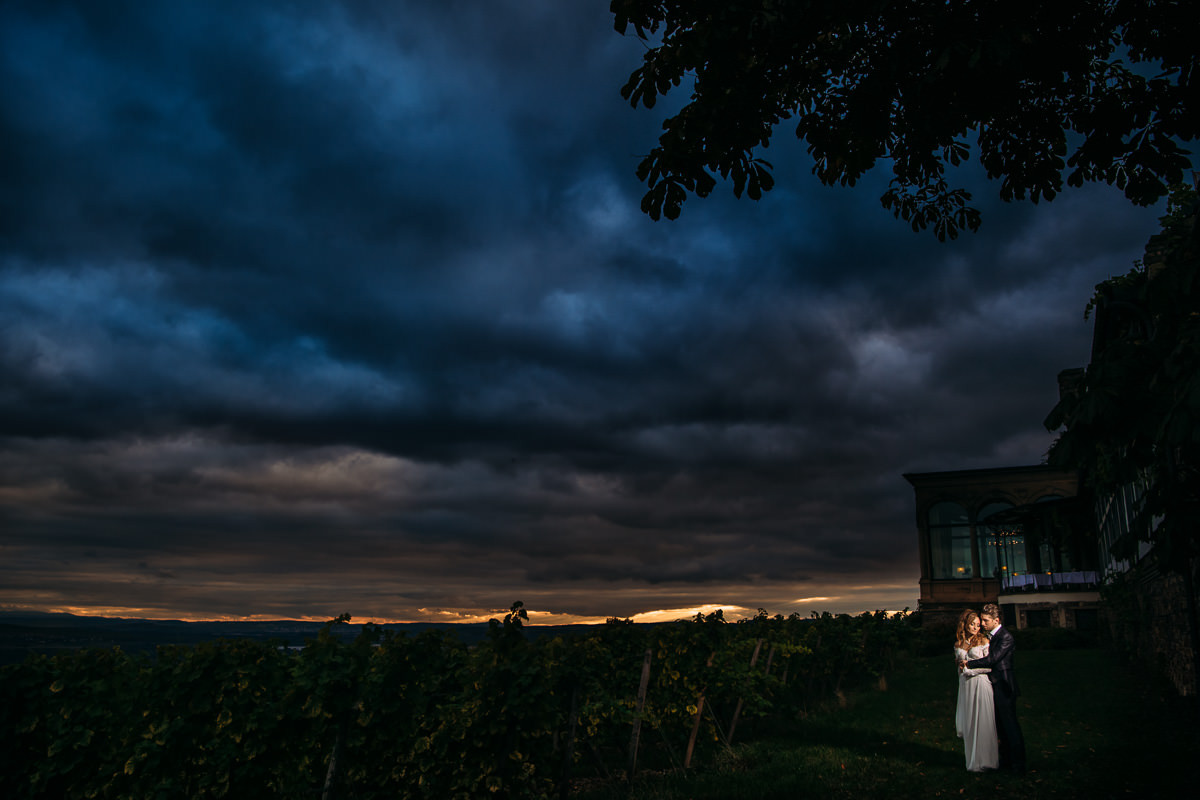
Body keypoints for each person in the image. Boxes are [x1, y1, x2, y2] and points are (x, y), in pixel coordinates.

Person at [960, 603, 1026, 774]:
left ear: (997, 620)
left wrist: (969, 663)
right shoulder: (993, 636)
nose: (982, 623)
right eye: (981, 620)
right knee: (1001, 727)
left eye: (986, 620)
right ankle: (1006, 761)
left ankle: (1018, 765)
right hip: (994, 685)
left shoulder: (1005, 637)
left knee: (1010, 726)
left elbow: (993, 659)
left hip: (1004, 686)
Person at [953, 610, 999, 772]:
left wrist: (969, 670)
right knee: (971, 723)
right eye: (972, 624)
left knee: (983, 722)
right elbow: (959, 665)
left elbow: (989, 666)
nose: (975, 627)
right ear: (965, 624)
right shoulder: (959, 643)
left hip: (981, 683)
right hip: (966, 686)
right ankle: (972, 761)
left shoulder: (984, 641)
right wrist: (961, 670)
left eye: (978, 625)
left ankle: (988, 761)